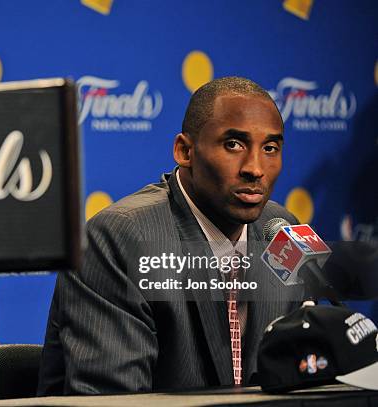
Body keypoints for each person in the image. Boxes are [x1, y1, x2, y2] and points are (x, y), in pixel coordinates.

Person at [37, 77, 304, 395]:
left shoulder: (281, 229)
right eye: (234, 144)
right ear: (185, 151)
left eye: (270, 148)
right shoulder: (120, 238)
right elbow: (116, 402)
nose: (255, 168)